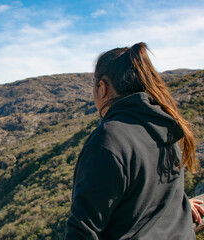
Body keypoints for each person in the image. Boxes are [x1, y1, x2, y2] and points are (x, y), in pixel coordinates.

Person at [65, 42, 203, 239]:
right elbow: (149, 190)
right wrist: (178, 204)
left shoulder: (108, 140)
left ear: (102, 88)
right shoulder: (166, 124)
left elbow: (83, 230)